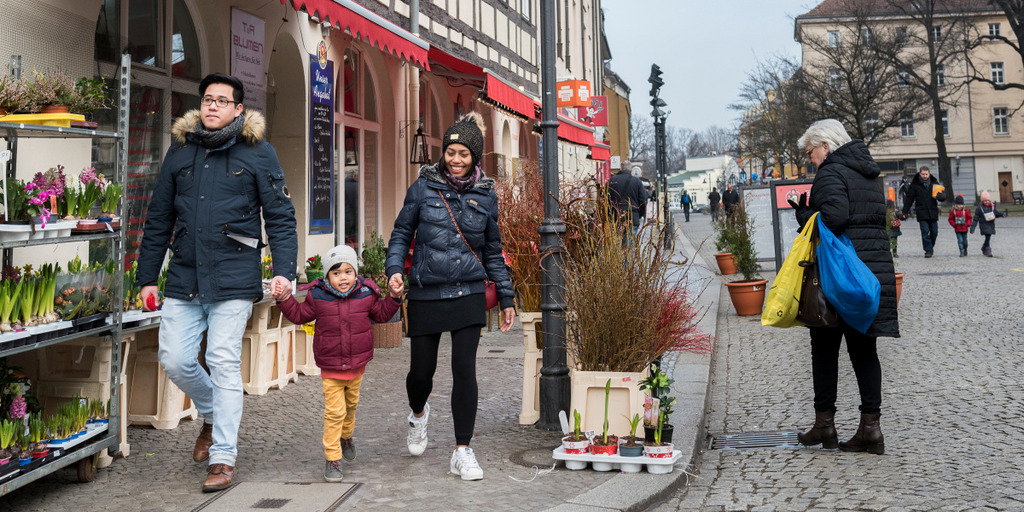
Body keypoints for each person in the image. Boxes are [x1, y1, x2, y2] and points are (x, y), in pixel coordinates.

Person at [135, 73, 297, 491]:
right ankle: (211, 412)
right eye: (207, 99)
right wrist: (146, 278)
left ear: (238, 110)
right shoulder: (180, 151)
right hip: (185, 276)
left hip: (234, 275)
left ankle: (223, 457)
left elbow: (280, 217)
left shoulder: (259, 154)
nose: (212, 106)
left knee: (224, 361)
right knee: (174, 359)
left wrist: (284, 271)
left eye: (222, 101)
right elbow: (158, 220)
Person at [384, 112, 516, 481]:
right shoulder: (422, 188)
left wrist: (506, 298)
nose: (456, 160)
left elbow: (492, 250)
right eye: (451, 152)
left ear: (476, 157)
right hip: (427, 291)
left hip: (468, 291)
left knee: (464, 369)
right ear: (443, 153)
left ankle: (463, 450)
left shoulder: (486, 195)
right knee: (421, 373)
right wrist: (394, 270)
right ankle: (419, 414)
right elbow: (400, 234)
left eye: (464, 154)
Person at [793, 119, 899, 455]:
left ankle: (825, 424)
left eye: (810, 152)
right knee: (865, 352)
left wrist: (807, 214)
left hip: (840, 278)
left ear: (825, 146)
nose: (810, 159)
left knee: (824, 349)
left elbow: (835, 218)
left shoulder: (830, 172)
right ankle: (872, 429)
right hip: (871, 273)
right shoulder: (868, 172)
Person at [271, 245, 403, 483]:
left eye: (348, 271)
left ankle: (347, 437)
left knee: (351, 406)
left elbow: (382, 314)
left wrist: (394, 297)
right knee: (335, 412)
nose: (343, 277)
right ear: (326, 276)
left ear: (355, 273)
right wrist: (284, 299)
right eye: (336, 273)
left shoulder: (366, 293)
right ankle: (332, 458)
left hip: (357, 364)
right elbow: (300, 315)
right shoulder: (317, 296)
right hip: (331, 366)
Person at [900, 166, 947, 257]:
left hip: (933, 212)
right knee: (925, 232)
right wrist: (905, 211)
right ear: (920, 174)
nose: (925, 176)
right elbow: (909, 199)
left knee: (934, 232)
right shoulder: (915, 185)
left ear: (929, 174)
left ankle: (930, 246)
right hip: (921, 212)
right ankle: (928, 251)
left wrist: (942, 197)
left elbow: (942, 196)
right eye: (923, 174)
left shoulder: (934, 183)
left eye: (926, 174)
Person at [607, 166, 648, 237]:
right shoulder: (637, 181)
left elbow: (606, 200)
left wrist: (609, 215)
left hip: (616, 217)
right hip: (632, 217)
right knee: (629, 245)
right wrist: (639, 214)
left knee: (617, 244)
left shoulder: (611, 180)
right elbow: (643, 201)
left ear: (620, 169)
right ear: (631, 170)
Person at [969, 190, 1005, 257]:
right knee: (987, 236)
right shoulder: (979, 209)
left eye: (987, 200)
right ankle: (988, 250)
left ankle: (984, 246)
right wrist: (972, 227)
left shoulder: (992, 207)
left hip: (991, 224)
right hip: (984, 225)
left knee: (988, 237)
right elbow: (975, 219)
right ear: (982, 201)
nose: (986, 202)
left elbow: (996, 213)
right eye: (985, 201)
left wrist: (1002, 214)